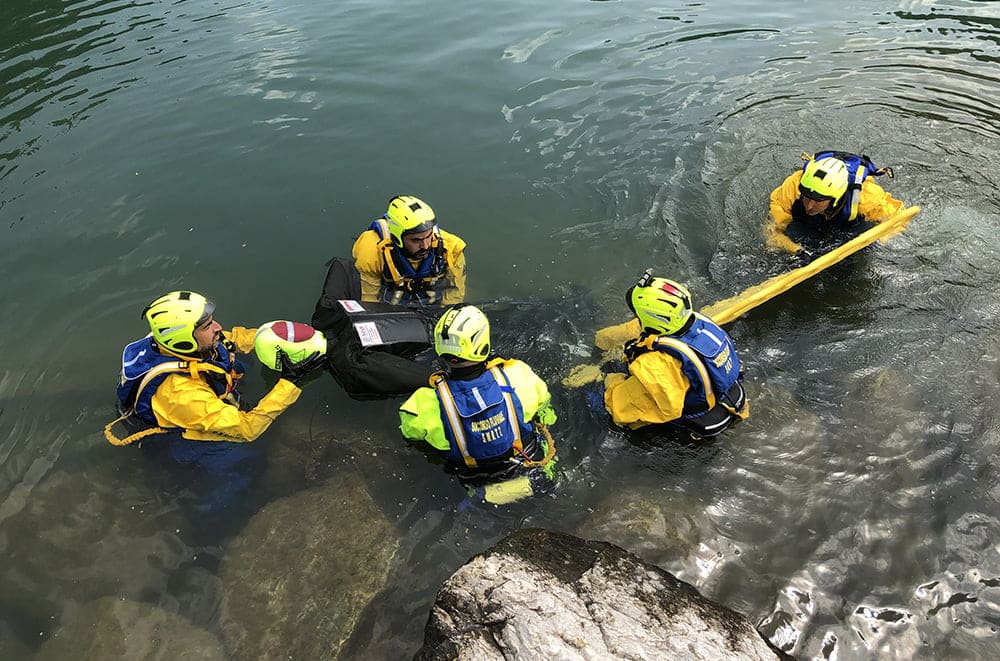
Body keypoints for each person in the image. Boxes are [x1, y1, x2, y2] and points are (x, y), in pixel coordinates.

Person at [107, 290, 326, 447]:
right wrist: (290, 383)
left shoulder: (176, 343)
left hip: (201, 385)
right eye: (207, 326)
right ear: (184, 339)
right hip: (180, 437)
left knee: (239, 360)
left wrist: (277, 340)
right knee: (246, 463)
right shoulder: (181, 396)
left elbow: (232, 341)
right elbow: (247, 430)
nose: (218, 327)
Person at [398, 305, 558, 504]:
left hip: (477, 488)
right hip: (535, 473)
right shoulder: (519, 374)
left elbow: (411, 434)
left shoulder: (421, 404)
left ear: (439, 347)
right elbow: (546, 412)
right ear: (483, 344)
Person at [602, 271, 748, 439]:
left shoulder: (657, 365)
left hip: (690, 423)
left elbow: (621, 409)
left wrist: (610, 380)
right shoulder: (702, 323)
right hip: (723, 396)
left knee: (600, 399)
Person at [765, 151, 904, 259]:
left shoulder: (867, 197)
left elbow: (898, 218)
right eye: (807, 197)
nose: (809, 206)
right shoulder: (793, 187)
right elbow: (772, 231)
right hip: (808, 225)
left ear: (835, 198)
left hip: (851, 225)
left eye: (818, 200)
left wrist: (877, 240)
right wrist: (796, 251)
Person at [351, 195, 467, 306]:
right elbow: (369, 299)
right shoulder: (371, 251)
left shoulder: (452, 249)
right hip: (390, 297)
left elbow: (454, 295)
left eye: (428, 236)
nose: (426, 246)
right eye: (416, 240)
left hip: (430, 297)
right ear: (397, 237)